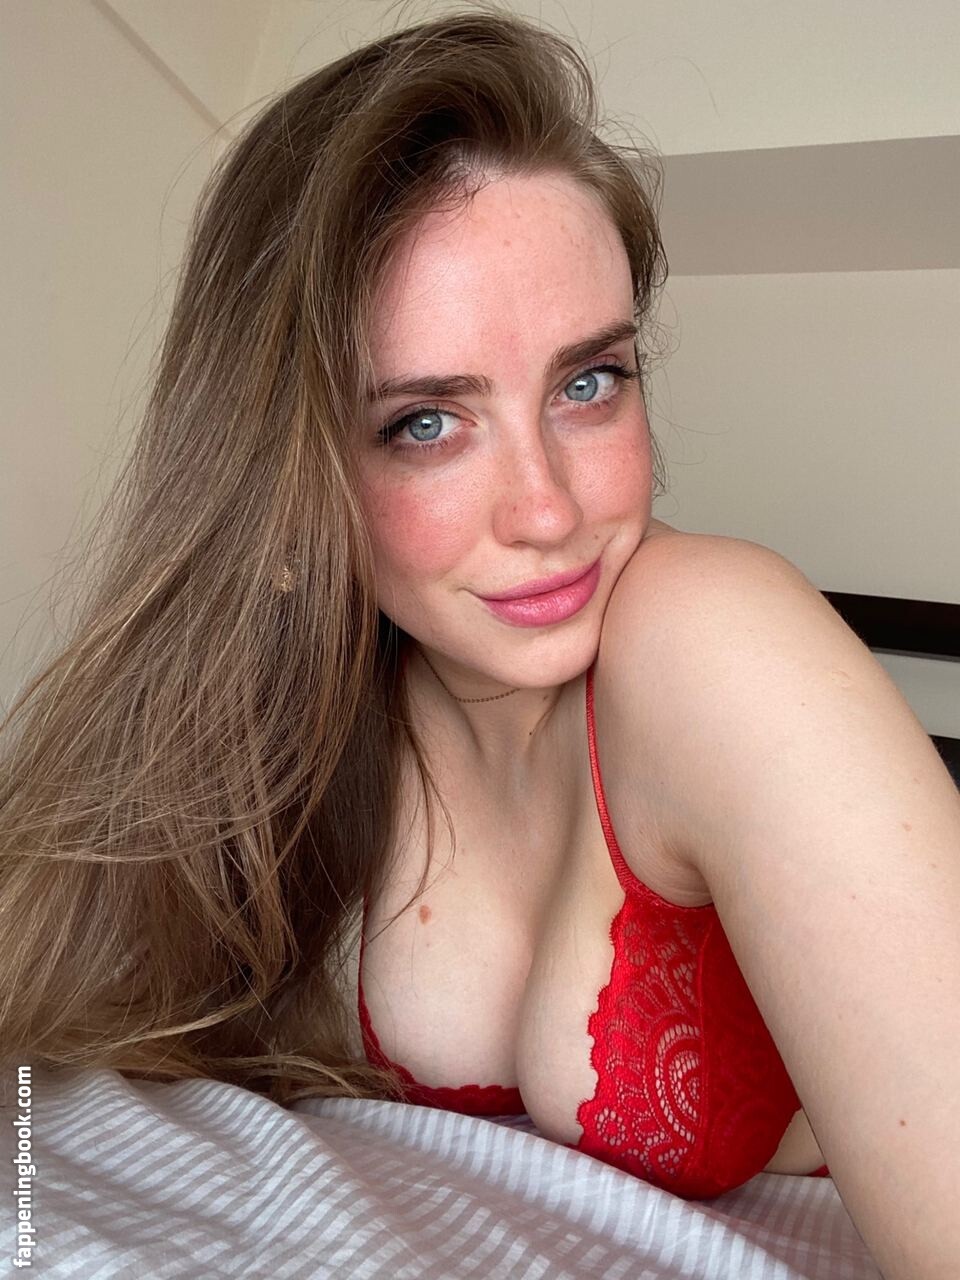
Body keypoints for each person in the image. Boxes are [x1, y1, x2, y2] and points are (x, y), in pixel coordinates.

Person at [1, 6, 958, 1273]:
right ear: (286, 483)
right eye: (427, 423)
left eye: (588, 382)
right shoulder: (298, 719)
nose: (548, 510)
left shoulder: (715, 640)